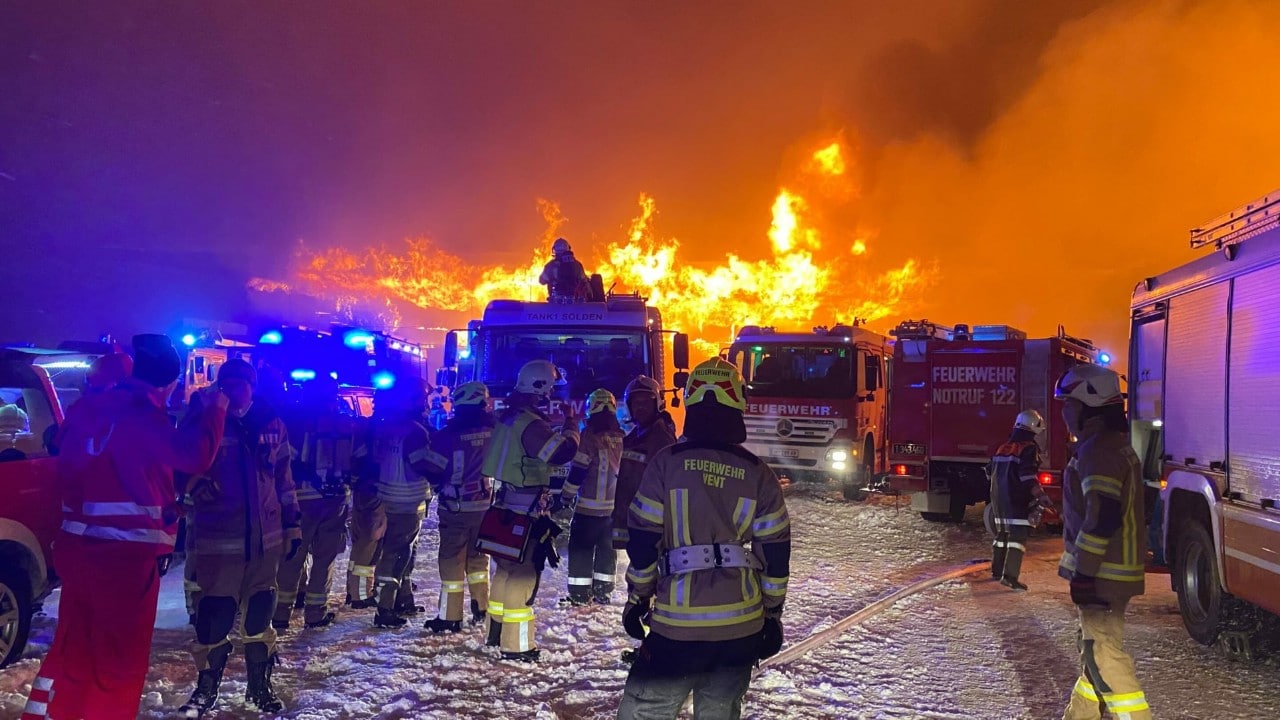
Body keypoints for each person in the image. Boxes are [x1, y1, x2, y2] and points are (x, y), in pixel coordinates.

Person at [20, 335, 226, 720]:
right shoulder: (144, 414)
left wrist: (165, 504)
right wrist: (215, 410)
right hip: (123, 557)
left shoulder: (92, 407)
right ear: (169, 382)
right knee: (119, 659)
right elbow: (193, 455)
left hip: (77, 550)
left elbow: (86, 458)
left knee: (76, 646)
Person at [618, 358, 791, 720]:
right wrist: (772, 614)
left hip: (675, 628)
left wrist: (637, 599)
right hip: (739, 628)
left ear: (690, 402)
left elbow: (644, 541)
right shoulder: (759, 474)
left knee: (644, 712)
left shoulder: (665, 463)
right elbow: (775, 555)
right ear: (738, 404)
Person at [178, 359, 302, 717]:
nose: (236, 390)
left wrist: (292, 526)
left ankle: (259, 686)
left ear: (253, 385)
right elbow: (176, 466)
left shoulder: (271, 422)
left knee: (259, 617)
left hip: (266, 542)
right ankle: (206, 689)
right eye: (228, 383)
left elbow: (284, 479)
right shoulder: (205, 420)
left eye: (242, 383)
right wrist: (190, 485)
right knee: (214, 617)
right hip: (219, 540)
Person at [1055, 364, 1150, 720]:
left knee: (1103, 655)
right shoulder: (1114, 446)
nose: (1064, 412)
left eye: (1069, 404)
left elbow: (1103, 515)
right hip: (1113, 574)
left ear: (1089, 405)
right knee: (1094, 651)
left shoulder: (1099, 451)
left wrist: (1084, 573)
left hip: (1103, 577)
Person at [480, 359, 581, 661]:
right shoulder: (529, 423)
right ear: (541, 388)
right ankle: (517, 645)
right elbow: (560, 453)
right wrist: (572, 427)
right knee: (523, 574)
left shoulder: (508, 417)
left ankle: (494, 633)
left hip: (505, 503)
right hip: (527, 509)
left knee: (505, 570)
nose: (550, 395)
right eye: (549, 390)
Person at [407, 381, 495, 633]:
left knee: (451, 561)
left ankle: (450, 616)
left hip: (456, 507)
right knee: (479, 558)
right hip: (485, 504)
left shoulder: (448, 435)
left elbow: (432, 467)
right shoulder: (494, 430)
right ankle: (481, 606)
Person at [272, 378, 359, 630]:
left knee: (293, 555)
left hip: (302, 499)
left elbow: (286, 462)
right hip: (336, 499)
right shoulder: (346, 423)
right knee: (324, 558)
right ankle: (315, 613)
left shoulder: (297, 423)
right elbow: (356, 461)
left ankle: (280, 613)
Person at [370, 376, 434, 628]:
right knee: (397, 554)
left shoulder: (388, 427)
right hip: (407, 499)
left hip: (389, 496)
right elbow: (422, 464)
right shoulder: (416, 432)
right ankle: (385, 608)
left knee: (406, 551)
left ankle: (403, 600)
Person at [559, 388, 625, 605]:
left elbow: (579, 470)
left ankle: (579, 595)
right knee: (607, 551)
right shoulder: (621, 436)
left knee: (581, 550)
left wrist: (565, 497)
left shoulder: (589, 435)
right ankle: (603, 592)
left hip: (587, 509)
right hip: (612, 509)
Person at [989, 409, 1053, 591]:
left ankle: (997, 571)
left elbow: (990, 471)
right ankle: (1010, 577)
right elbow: (1027, 476)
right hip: (1016, 500)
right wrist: (1040, 495)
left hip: (998, 500)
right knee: (1018, 538)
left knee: (1002, 536)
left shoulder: (1003, 447)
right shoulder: (1028, 448)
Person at [612, 376, 677, 551]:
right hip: (634, 524)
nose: (640, 407)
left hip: (648, 528)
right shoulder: (637, 434)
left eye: (645, 403)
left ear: (657, 404)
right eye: (635, 403)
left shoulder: (661, 438)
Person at [346, 390, 390, 609]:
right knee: (369, 542)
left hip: (363, 490)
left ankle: (353, 589)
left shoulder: (368, 427)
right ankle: (361, 595)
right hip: (376, 491)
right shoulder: (384, 430)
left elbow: (355, 459)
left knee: (360, 541)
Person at [538, 237, 589, 301]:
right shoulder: (577, 265)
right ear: (568, 249)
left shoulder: (551, 266)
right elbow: (583, 280)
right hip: (574, 301)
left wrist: (552, 279)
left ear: (554, 250)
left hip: (556, 301)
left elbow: (542, 281)